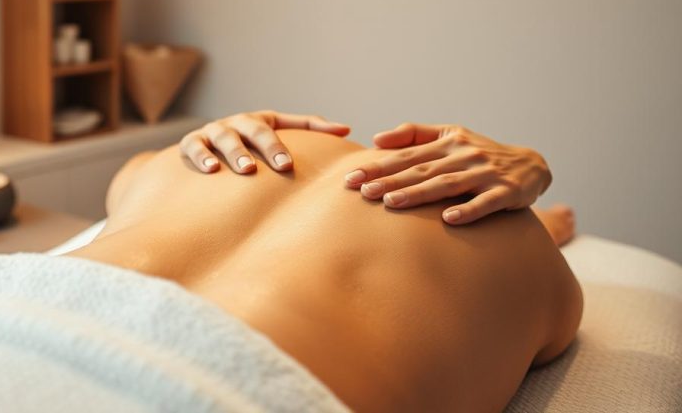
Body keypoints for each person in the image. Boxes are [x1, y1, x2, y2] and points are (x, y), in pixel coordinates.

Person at [68, 111, 582, 412]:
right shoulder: (522, 247)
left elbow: (126, 179)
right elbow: (544, 329)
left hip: (11, 320)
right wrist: (536, 233)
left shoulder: (212, 148)